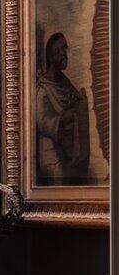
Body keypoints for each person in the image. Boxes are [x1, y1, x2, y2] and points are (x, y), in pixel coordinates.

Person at [36, 30, 92, 184]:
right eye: (58, 51)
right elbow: (42, 121)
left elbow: (76, 103)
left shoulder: (65, 82)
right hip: (52, 156)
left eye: (64, 49)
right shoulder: (43, 88)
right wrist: (61, 120)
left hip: (69, 153)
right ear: (50, 56)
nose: (63, 54)